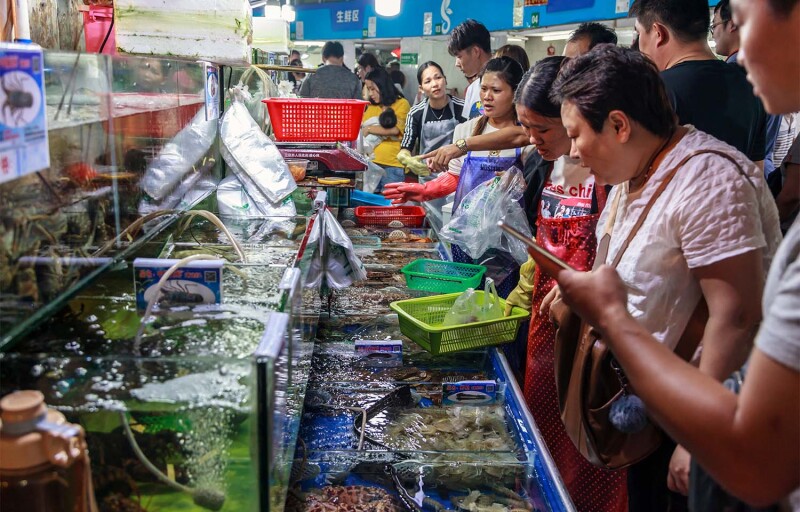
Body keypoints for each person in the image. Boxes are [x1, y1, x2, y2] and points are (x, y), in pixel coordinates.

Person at [554, 0, 800, 505]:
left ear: (619, 126)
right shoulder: (635, 173)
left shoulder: (708, 178)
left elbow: (734, 316)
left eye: (577, 135)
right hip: (651, 401)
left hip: (696, 416)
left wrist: (698, 441)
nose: (572, 152)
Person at [504, 57, 627, 511]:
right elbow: (539, 247)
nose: (534, 141)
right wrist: (518, 298)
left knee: (585, 442)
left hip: (589, 332)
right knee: (540, 426)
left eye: (545, 130)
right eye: (526, 128)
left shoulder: (608, 173)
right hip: (544, 320)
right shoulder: (545, 165)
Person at [384, 57, 532, 296]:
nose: (487, 97)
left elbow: (518, 140)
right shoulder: (467, 128)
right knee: (469, 307)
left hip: (507, 245)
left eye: (496, 90)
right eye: (483, 89)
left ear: (516, 93)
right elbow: (455, 177)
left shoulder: (526, 134)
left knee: (504, 311)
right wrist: (426, 191)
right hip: (467, 239)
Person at [630, 0, 767, 167]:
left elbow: (635, 175)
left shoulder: (655, 89)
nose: (639, 44)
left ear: (659, 33)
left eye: (640, 33)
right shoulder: (751, 86)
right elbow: (757, 172)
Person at [711, 0, 783, 185]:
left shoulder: (734, 76)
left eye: (715, 25)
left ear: (733, 23)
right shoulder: (768, 70)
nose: (714, 33)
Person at [361, 67, 411, 192]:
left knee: (389, 208)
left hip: (392, 166)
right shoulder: (371, 107)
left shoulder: (401, 103)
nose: (371, 93)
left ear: (382, 85)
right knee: (369, 207)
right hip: (371, 166)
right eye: (368, 89)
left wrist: (370, 129)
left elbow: (395, 130)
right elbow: (362, 129)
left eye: (373, 89)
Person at [448, 19, 493, 119]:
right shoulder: (471, 90)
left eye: (459, 57)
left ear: (475, 52)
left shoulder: (507, 86)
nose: (457, 64)